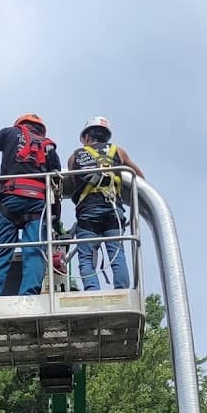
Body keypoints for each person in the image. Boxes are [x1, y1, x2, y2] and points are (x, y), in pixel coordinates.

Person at [0, 115, 63, 297]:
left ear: (20, 124)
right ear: (41, 129)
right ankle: (29, 297)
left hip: (10, 200)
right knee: (34, 252)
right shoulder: (48, 146)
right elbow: (56, 186)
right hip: (38, 204)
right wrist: (56, 221)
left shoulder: (9, 133)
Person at [65, 117, 144, 291]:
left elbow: (73, 180)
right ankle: (122, 290)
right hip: (113, 209)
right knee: (116, 253)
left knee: (86, 257)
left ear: (86, 137)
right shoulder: (118, 152)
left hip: (88, 211)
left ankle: (92, 290)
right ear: (106, 137)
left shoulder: (74, 156)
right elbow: (138, 175)